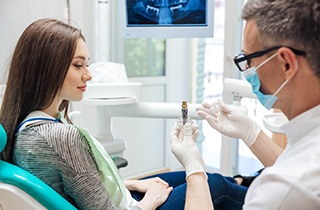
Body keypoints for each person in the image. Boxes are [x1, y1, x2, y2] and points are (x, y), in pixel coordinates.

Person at [0, 18, 246, 210]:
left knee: (192, 177)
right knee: (214, 185)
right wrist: (150, 198)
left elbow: (76, 187)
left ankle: (243, 181)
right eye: (78, 65)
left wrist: (134, 183)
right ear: (47, 68)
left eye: (87, 63)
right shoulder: (59, 137)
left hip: (122, 197)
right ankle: (270, 194)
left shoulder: (26, 124)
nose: (88, 74)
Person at [171, 0, 320, 209]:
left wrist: (194, 168)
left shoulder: (284, 189)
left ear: (286, 62)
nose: (247, 69)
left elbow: (293, 179)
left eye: (248, 59)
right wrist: (251, 132)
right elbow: (294, 162)